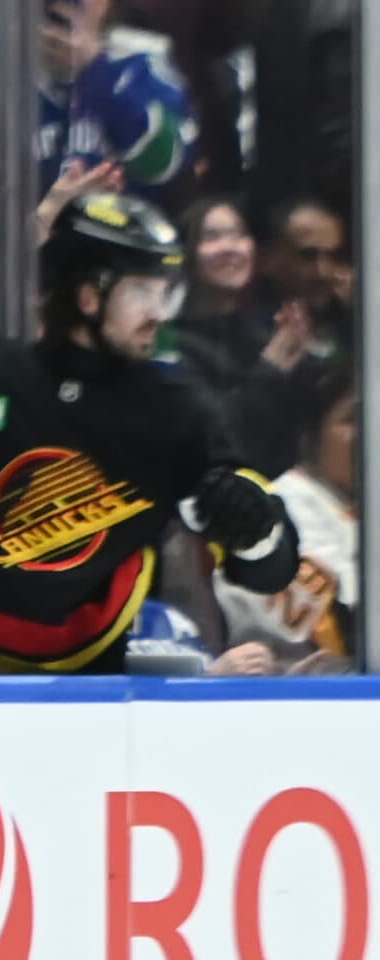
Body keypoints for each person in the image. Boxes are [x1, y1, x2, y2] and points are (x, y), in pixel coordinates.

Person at [0, 193, 298, 676]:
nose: (158, 313)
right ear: (87, 295)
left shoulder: (173, 408)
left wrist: (255, 533)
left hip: (92, 683)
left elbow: (271, 567)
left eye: (163, 293)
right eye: (141, 293)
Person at [0, 0, 192, 202]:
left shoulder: (148, 70)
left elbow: (165, 170)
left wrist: (96, 70)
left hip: (130, 251)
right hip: (39, 251)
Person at [212, 364, 356, 673]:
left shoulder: (356, 506)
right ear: (311, 438)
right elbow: (343, 635)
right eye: (352, 420)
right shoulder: (282, 509)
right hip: (284, 700)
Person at [163, 195, 308, 474]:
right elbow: (214, 437)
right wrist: (271, 368)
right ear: (185, 253)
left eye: (239, 235)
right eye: (212, 237)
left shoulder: (268, 333)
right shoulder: (168, 343)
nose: (230, 248)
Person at [260, 197, 352, 365]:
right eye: (308, 256)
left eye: (334, 256)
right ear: (269, 259)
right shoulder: (242, 339)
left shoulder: (353, 323)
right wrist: (269, 370)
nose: (324, 271)